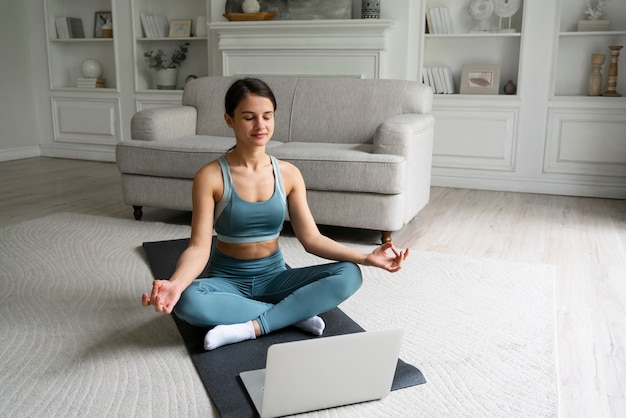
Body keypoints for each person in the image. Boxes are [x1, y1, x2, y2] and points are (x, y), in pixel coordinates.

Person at [142, 77, 409, 350]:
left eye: (267, 116)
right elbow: (199, 248)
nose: (261, 126)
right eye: (249, 117)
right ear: (229, 119)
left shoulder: (289, 174)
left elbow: (312, 239)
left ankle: (253, 326)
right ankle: (292, 315)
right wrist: (175, 284)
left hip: (275, 278)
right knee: (189, 302)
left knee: (350, 274)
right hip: (227, 281)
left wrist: (365, 257)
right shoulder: (210, 177)